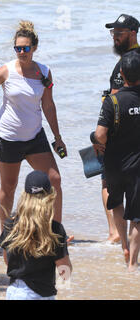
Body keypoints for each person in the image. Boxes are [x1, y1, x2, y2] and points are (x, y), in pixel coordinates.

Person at [0, 21, 67, 226]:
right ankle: (5, 234)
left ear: (34, 47)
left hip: (35, 137)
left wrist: (58, 138)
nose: (21, 52)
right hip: (8, 139)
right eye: (17, 48)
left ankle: (56, 232)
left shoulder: (44, 72)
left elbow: (49, 105)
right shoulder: (5, 71)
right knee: (8, 187)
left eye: (25, 48)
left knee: (54, 180)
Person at [92, 50, 140, 272]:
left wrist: (94, 141)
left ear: (122, 73)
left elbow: (100, 135)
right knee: (137, 215)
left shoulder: (113, 101)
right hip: (138, 167)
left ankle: (124, 244)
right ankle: (133, 264)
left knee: (117, 204)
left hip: (114, 164)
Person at [0, 170, 72, 300]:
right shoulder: (54, 229)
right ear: (49, 197)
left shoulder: (11, 224)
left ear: (25, 196)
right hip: (40, 294)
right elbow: (65, 273)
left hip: (14, 291)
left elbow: (7, 261)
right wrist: (63, 248)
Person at [99, 14, 139, 243]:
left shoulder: (127, 62)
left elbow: (116, 100)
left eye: (120, 33)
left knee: (108, 182)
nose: (115, 37)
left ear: (133, 33)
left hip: (119, 137)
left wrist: (101, 136)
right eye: (113, 33)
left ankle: (115, 234)